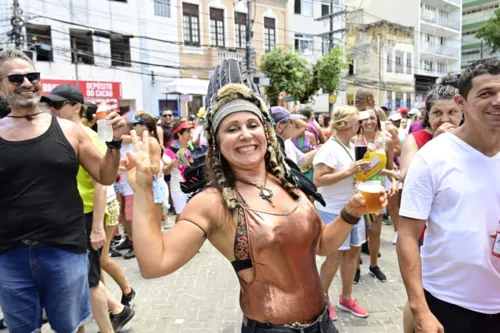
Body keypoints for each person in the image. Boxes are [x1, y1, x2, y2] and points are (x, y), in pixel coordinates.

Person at [128, 66, 387, 332]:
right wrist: (144, 189)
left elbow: (321, 244)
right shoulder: (214, 202)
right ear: (216, 142)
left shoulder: (290, 182)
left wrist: (350, 212)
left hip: (322, 325)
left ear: (266, 133)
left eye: (253, 125)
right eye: (232, 128)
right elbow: (153, 264)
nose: (245, 134)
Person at [0, 49, 126, 333]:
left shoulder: (70, 131)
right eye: (15, 78)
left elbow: (105, 174)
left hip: (64, 251)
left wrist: (115, 143)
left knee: (69, 327)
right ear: (1, 87)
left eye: (32, 76)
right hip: (8, 255)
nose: (26, 83)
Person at [397, 59, 500, 333]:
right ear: (462, 102)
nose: (497, 101)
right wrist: (420, 309)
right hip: (447, 302)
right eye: (486, 93)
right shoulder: (433, 156)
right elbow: (407, 235)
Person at [43, 84, 135, 332]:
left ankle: (113, 318)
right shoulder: (60, 134)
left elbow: (101, 184)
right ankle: (117, 310)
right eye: (49, 104)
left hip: (86, 216)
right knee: (83, 279)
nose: (52, 109)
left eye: (58, 104)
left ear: (76, 107)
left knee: (90, 281)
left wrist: (96, 228)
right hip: (69, 217)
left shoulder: (87, 136)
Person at [399, 77, 463, 333]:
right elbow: (406, 174)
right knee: (420, 292)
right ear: (428, 114)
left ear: (463, 112)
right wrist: (438, 143)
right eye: (437, 112)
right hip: (423, 228)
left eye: (452, 112)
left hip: (457, 228)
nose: (444, 118)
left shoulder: (472, 140)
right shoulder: (418, 139)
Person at [313, 106, 370, 320]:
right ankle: (321, 299)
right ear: (346, 124)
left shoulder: (349, 145)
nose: (360, 125)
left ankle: (346, 298)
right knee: (334, 256)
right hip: (333, 210)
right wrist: (350, 171)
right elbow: (318, 179)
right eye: (357, 121)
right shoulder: (330, 148)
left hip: (353, 207)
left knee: (354, 253)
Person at [357, 108, 396, 283]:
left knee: (375, 232)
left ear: (377, 120)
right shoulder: (354, 140)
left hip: (376, 191)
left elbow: (390, 168)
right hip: (357, 191)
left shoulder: (386, 141)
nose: (369, 122)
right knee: (358, 232)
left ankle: (373, 266)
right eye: (364, 119)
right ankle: (355, 267)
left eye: (372, 118)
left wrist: (394, 182)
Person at [163, 119, 194, 217]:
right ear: (179, 134)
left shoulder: (191, 146)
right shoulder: (169, 151)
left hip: (194, 185)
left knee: (193, 214)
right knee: (181, 216)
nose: (190, 134)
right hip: (179, 188)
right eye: (187, 131)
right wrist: (172, 165)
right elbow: (165, 171)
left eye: (190, 131)